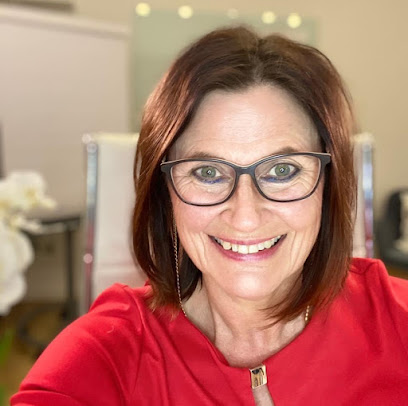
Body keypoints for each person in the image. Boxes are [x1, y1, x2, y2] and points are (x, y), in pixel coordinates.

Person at [11, 26, 408, 406]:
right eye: (207, 173)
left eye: (283, 170)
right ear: (165, 194)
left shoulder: (397, 320)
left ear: (328, 184)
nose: (246, 217)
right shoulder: (103, 355)